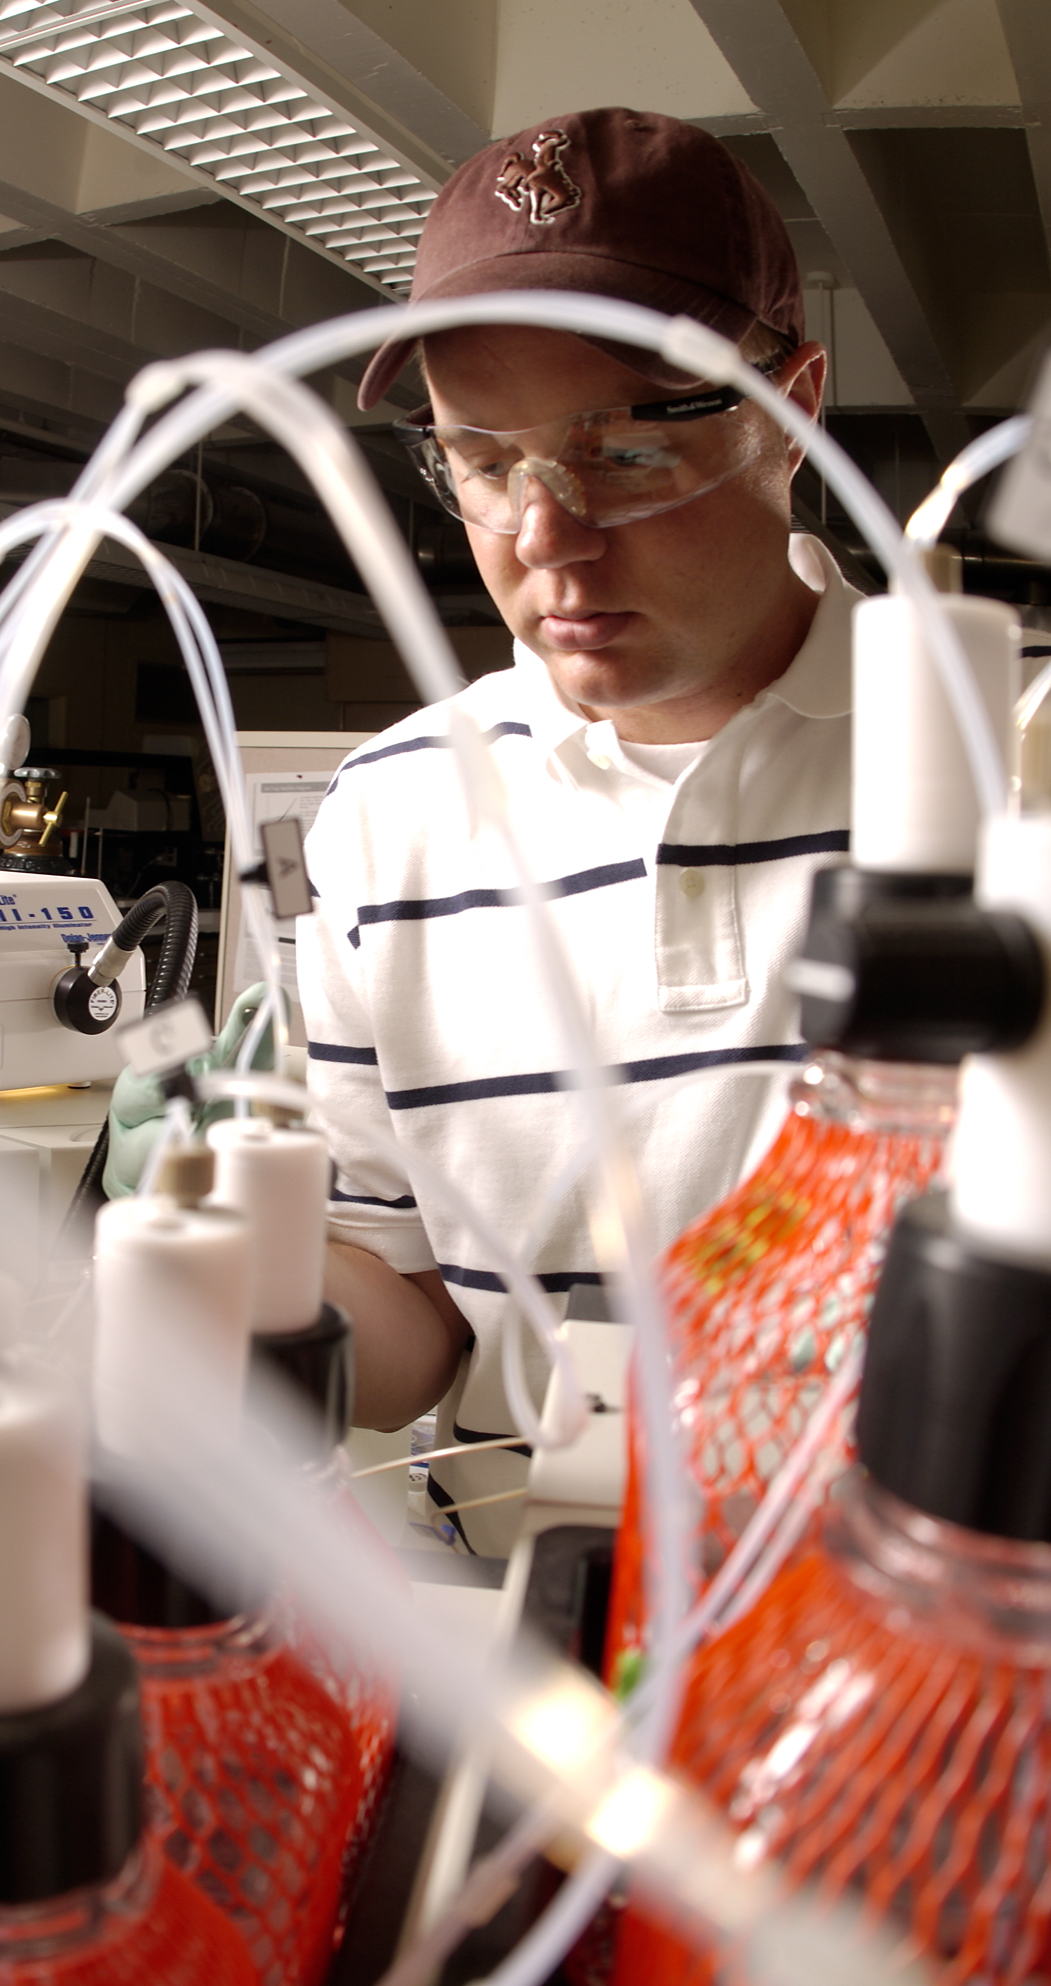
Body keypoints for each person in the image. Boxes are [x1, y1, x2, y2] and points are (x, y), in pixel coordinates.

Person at [295, 107, 856, 1555]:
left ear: (791, 407)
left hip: (899, 1670)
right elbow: (411, 1302)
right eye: (484, 460)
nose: (543, 534)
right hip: (514, 1616)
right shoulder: (393, 816)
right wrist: (241, 1305)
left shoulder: (1009, 773)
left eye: (620, 452)